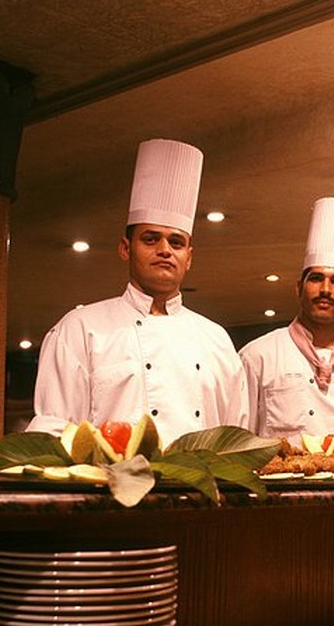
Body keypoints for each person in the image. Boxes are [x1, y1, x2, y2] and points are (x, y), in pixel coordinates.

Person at [28, 138, 248, 445]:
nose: (164, 250)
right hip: (107, 489)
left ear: (189, 257)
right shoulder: (80, 328)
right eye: (150, 239)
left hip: (200, 490)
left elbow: (235, 439)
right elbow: (53, 433)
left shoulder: (216, 339)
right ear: (125, 248)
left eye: (176, 242)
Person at [240, 196, 334, 448]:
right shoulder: (257, 357)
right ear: (299, 288)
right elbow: (240, 446)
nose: (325, 289)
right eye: (316, 278)